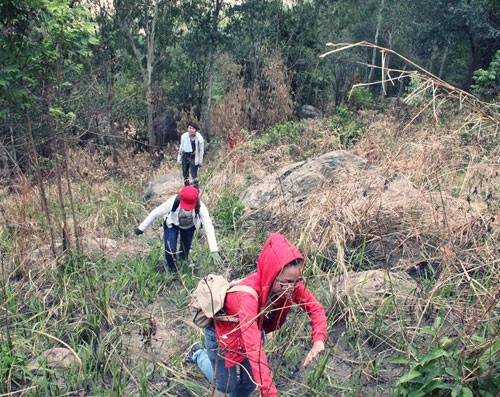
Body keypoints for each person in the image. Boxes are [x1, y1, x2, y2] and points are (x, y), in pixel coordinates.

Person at [184, 233, 327, 396]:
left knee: (249, 384)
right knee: (226, 386)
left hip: (250, 332)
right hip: (222, 335)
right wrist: (270, 393)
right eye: (286, 282)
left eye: (297, 280)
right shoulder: (247, 297)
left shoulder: (290, 287)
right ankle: (197, 353)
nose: (292, 288)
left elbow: (316, 309)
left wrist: (319, 339)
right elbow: (254, 348)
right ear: (271, 275)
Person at [134, 185, 222, 271]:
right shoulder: (173, 201)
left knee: (185, 247)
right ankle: (172, 268)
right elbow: (155, 213)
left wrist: (214, 250)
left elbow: (209, 228)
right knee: (170, 249)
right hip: (172, 224)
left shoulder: (201, 207)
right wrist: (141, 228)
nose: (187, 209)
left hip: (189, 226)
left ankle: (184, 260)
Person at [177, 122, 204, 188]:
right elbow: (181, 148)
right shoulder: (184, 137)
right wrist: (179, 158)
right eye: (189, 128)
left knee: (194, 174)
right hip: (185, 156)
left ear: (195, 129)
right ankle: (187, 187)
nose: (191, 130)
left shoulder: (199, 138)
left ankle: (196, 188)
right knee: (185, 173)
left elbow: (201, 151)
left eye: (193, 128)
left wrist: (200, 161)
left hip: (194, 157)